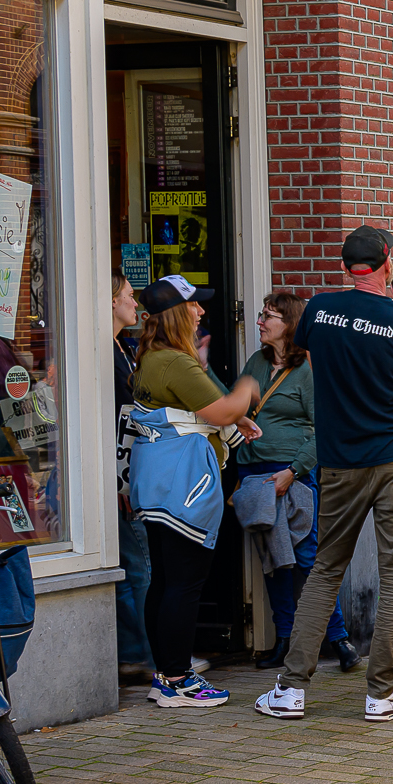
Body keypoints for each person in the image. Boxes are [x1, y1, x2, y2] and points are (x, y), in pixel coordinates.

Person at [255, 227, 393, 723]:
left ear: (344, 267)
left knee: (326, 569)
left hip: (339, 462)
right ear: (387, 262)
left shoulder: (317, 311)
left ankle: (290, 690)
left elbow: (317, 366)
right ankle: (381, 696)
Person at [130, 275, 265, 707]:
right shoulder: (175, 361)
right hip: (182, 484)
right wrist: (249, 387)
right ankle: (178, 680)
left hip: (156, 479)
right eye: (194, 305)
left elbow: (198, 411)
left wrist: (231, 418)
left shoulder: (153, 357)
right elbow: (222, 407)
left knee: (166, 582)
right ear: (176, 313)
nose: (202, 311)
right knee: (185, 584)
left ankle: (165, 674)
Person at [235, 291, 354, 673]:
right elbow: (235, 406)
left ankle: (338, 638)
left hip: (293, 474)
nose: (260, 322)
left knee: (308, 557)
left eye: (267, 316)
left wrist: (294, 470)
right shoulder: (256, 362)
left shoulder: (308, 370)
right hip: (254, 475)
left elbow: (325, 429)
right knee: (273, 561)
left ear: (289, 324)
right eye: (261, 313)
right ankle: (284, 638)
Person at [110, 268, 153, 685]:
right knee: (139, 568)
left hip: (126, 475)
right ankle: (146, 654)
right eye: (128, 294)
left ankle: (134, 651)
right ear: (110, 300)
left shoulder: (121, 348)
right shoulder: (106, 354)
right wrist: (121, 480)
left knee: (130, 567)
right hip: (121, 480)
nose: (134, 303)